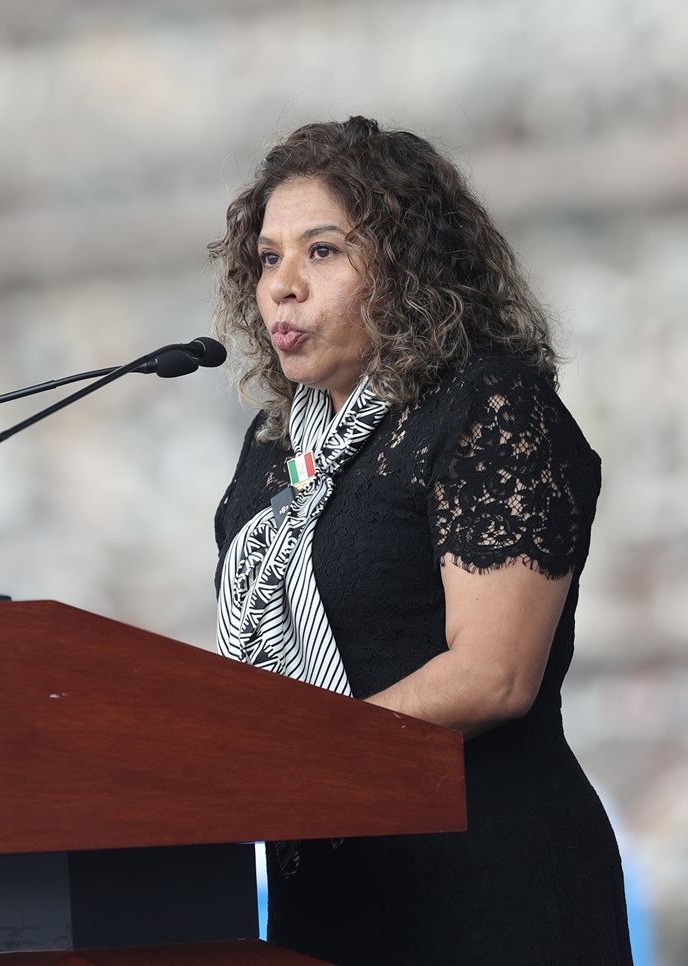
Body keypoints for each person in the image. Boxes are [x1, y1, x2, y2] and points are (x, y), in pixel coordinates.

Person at [209, 116, 633, 965]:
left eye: (322, 251)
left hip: (488, 887)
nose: (282, 286)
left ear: (407, 270)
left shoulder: (489, 409)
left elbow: (494, 676)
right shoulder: (273, 453)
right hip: (325, 897)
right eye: (268, 258)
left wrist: (299, 762)